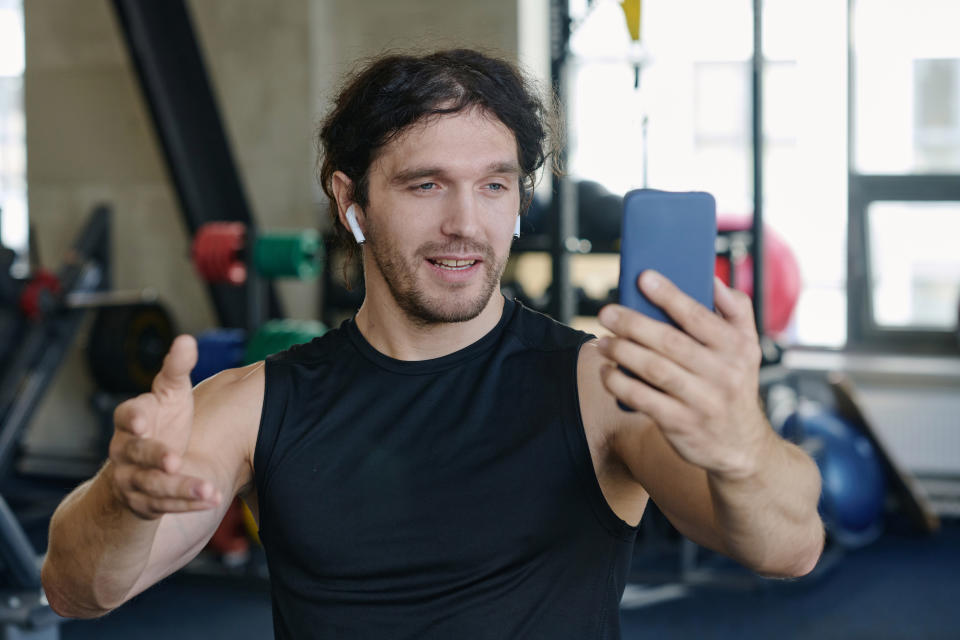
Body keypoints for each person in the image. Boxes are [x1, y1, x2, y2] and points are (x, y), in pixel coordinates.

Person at [41, 49, 823, 638]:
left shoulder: (600, 385)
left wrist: (742, 446)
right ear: (351, 199)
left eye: (494, 185)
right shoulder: (260, 402)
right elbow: (75, 590)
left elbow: (789, 547)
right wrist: (123, 496)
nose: (465, 224)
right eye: (425, 185)